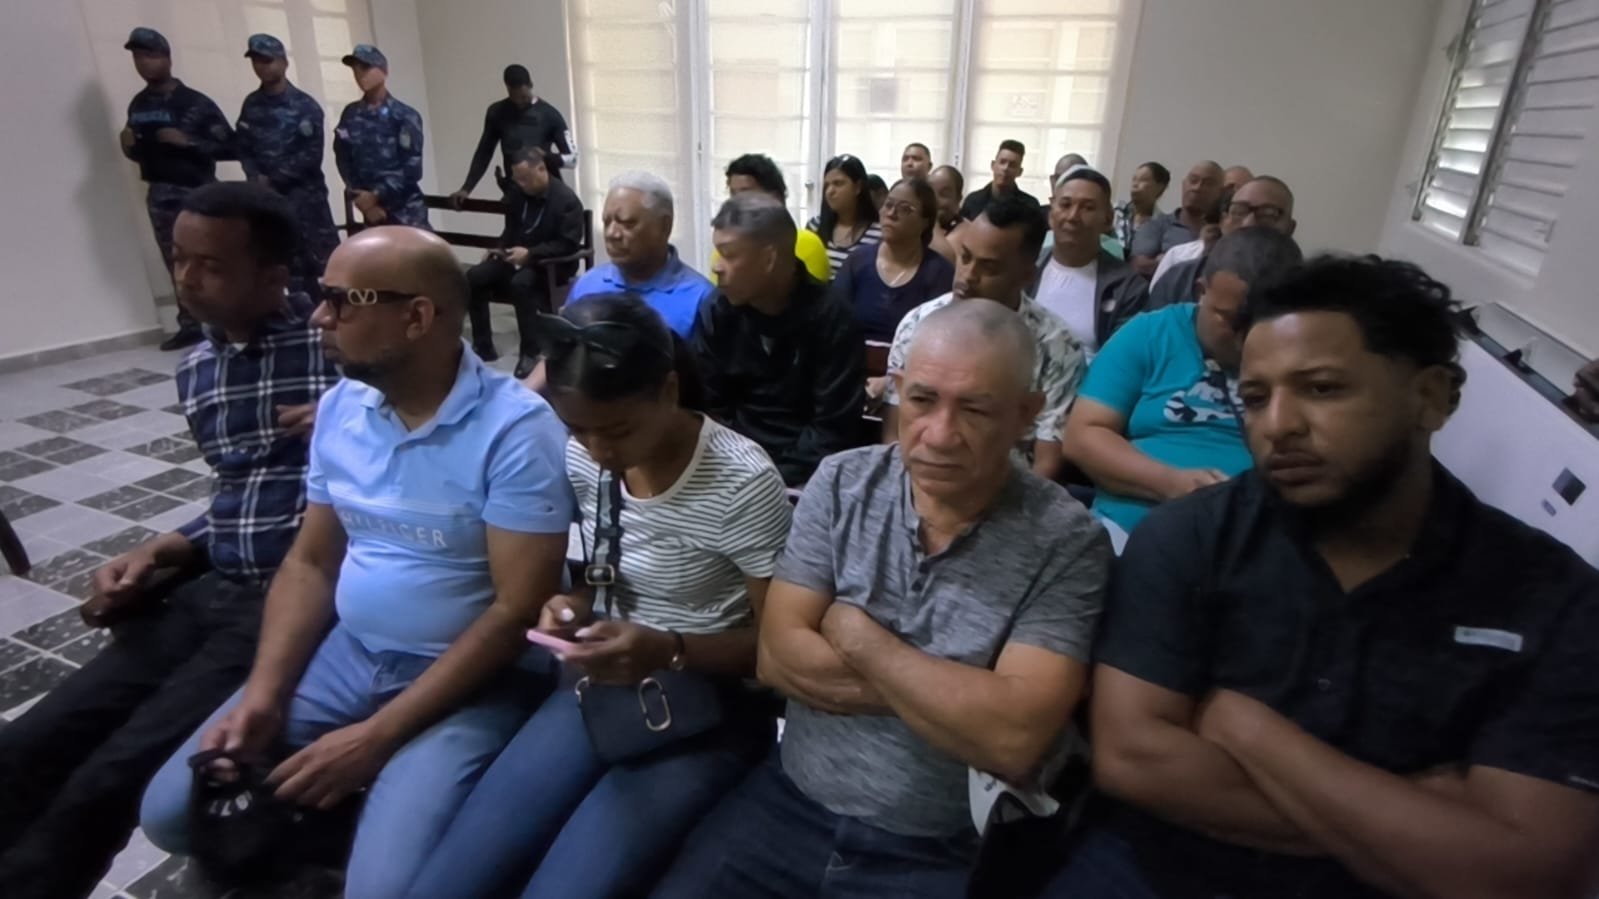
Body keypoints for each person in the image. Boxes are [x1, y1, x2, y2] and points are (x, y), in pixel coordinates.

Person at [1045, 254, 1599, 899]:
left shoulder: (1550, 599)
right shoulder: (1188, 538)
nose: (1278, 425)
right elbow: (1134, 760)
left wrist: (1249, 731)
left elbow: (1516, 873)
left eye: (1322, 389)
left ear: (1432, 397)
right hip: (1157, 868)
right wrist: (1414, 826)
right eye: (1256, 398)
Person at [139, 226, 576, 899]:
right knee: (168, 812)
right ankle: (340, 814)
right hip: (353, 652)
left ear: (417, 316)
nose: (319, 316)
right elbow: (312, 562)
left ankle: (373, 802)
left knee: (383, 889)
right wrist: (265, 695)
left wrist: (376, 737)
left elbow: (516, 610)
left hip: (472, 675)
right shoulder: (344, 406)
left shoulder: (515, 430)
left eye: (343, 300)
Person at [654, 299, 1112, 899]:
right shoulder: (841, 482)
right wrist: (958, 698)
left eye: (975, 409)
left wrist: (854, 634)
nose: (940, 435)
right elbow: (777, 659)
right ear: (897, 391)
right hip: (789, 802)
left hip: (941, 846)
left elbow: (1012, 739)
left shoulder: (1068, 540)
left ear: (1027, 414)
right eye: (922, 400)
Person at [0, 183, 335, 899]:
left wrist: (355, 413)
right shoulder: (199, 368)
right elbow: (241, 493)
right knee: (33, 740)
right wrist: (163, 549)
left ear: (272, 276)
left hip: (288, 601)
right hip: (211, 586)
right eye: (178, 258)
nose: (185, 277)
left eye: (210, 265)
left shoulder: (338, 354)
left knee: (109, 777)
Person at [406, 293, 792, 899]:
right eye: (577, 429)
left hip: (706, 705)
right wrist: (575, 606)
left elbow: (780, 654)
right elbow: (604, 569)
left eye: (615, 431)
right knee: (457, 870)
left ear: (669, 391)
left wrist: (668, 648)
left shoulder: (742, 481)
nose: (597, 451)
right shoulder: (588, 457)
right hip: (606, 682)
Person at [1062, 227, 1304, 548]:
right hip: (1132, 526)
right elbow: (1082, 437)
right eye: (1232, 320)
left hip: (1256, 539)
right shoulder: (1150, 334)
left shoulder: (1306, 358)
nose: (1245, 339)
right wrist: (1172, 483)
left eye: (1264, 322)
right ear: (1201, 291)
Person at [883, 193, 1085, 482]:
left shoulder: (1057, 346)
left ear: (1027, 275)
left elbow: (1047, 462)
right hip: (919, 479)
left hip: (1010, 490)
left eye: (989, 268)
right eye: (965, 257)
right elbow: (894, 435)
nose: (967, 276)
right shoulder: (918, 325)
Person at [699, 192, 865, 487]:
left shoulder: (833, 318)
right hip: (731, 467)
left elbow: (832, 428)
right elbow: (709, 409)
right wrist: (740, 470)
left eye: (729, 255)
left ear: (769, 259)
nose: (716, 267)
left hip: (810, 476)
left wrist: (771, 479)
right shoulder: (717, 310)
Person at [119, 27, 236, 352]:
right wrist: (128, 146)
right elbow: (139, 149)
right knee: (175, 260)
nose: (144, 63)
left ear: (167, 58)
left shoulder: (194, 102)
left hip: (196, 191)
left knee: (212, 258)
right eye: (138, 57)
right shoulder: (139, 104)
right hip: (161, 191)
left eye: (150, 55)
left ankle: (224, 319)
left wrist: (189, 142)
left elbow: (231, 146)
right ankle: (190, 323)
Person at [466, 148, 584, 379]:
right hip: (517, 257)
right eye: (517, 179)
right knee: (475, 276)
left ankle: (530, 351)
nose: (521, 184)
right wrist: (499, 249)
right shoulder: (519, 196)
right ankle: (483, 345)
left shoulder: (567, 201)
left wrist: (531, 254)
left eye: (525, 179)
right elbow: (511, 230)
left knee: (521, 283)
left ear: (541, 169)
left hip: (550, 265)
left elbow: (567, 245)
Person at [235, 33, 340, 293]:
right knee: (285, 265)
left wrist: (273, 179)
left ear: (283, 62)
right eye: (256, 61)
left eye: (267, 61)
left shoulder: (305, 106)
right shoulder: (252, 105)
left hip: (307, 201)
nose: (262, 67)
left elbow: (311, 155)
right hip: (271, 203)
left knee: (326, 267)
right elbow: (243, 147)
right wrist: (254, 177)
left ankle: (332, 313)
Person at [566, 171, 715, 339]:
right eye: (607, 222)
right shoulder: (587, 284)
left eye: (627, 223)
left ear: (664, 226)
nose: (612, 234)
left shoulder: (701, 299)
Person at [1033, 167, 1148, 359]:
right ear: (1051, 215)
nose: (1073, 217)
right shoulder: (1024, 267)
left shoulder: (1129, 288)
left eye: (1088, 208)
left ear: (1108, 219)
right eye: (1065, 205)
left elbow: (1122, 361)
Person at [831, 176, 954, 343]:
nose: (891, 214)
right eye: (888, 205)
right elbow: (835, 319)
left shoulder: (939, 273)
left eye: (905, 209)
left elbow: (938, 338)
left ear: (925, 222)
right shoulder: (857, 261)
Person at [450, 64, 577, 206]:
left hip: (546, 197)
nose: (520, 102)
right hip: (515, 196)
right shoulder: (497, 112)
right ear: (507, 89)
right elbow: (484, 153)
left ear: (530, 85)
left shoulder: (550, 115)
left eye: (524, 97)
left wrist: (546, 157)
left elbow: (573, 159)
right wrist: (466, 189)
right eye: (515, 97)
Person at [334, 44, 428, 229]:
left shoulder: (404, 115)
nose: (360, 74)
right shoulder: (351, 114)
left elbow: (412, 169)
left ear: (383, 71)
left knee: (415, 248)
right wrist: (363, 200)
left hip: (406, 211)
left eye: (366, 67)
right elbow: (343, 158)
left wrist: (377, 195)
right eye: (355, 69)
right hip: (371, 213)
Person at [1152, 175, 1297, 295]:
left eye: (1268, 214)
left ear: (1290, 228)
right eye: (1238, 211)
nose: (1248, 223)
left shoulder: (1304, 288)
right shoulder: (1178, 279)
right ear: (1223, 221)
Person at [719, 153, 831, 283]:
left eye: (746, 194)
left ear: (775, 198)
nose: (736, 203)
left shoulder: (807, 245)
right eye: (733, 194)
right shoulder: (725, 247)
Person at [1129, 160, 1223, 278]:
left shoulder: (1223, 233)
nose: (1197, 187)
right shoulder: (1156, 225)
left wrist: (1164, 260)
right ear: (1184, 184)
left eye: (1208, 183)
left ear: (1221, 192)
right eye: (1193, 180)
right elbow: (1139, 267)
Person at [807, 154, 882, 279]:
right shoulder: (815, 226)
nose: (830, 191)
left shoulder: (878, 233)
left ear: (858, 187)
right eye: (827, 185)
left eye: (838, 183)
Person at [960, 139, 1038, 221]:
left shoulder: (1030, 206)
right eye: (1002, 162)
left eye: (1012, 165)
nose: (1006, 168)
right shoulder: (973, 201)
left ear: (1020, 172)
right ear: (993, 165)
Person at [1114, 161, 1170, 255]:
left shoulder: (1163, 225)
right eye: (1134, 179)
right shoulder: (1116, 211)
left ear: (1160, 187)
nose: (1135, 184)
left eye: (1143, 180)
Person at [928, 164, 965, 264]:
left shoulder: (966, 231)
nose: (934, 199)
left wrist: (933, 222)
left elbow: (945, 262)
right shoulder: (918, 222)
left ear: (958, 199)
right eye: (930, 192)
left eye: (944, 194)